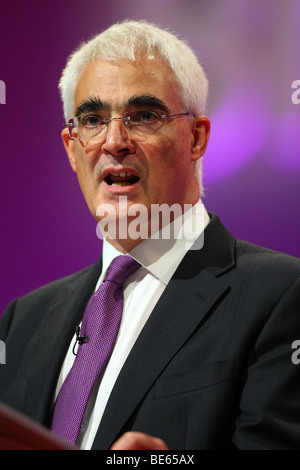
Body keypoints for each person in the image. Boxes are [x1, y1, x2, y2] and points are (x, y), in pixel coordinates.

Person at [1, 20, 300, 451]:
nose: (114, 141)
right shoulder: (22, 322)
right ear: (71, 148)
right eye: (92, 119)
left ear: (196, 138)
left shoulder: (280, 295)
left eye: (143, 116)